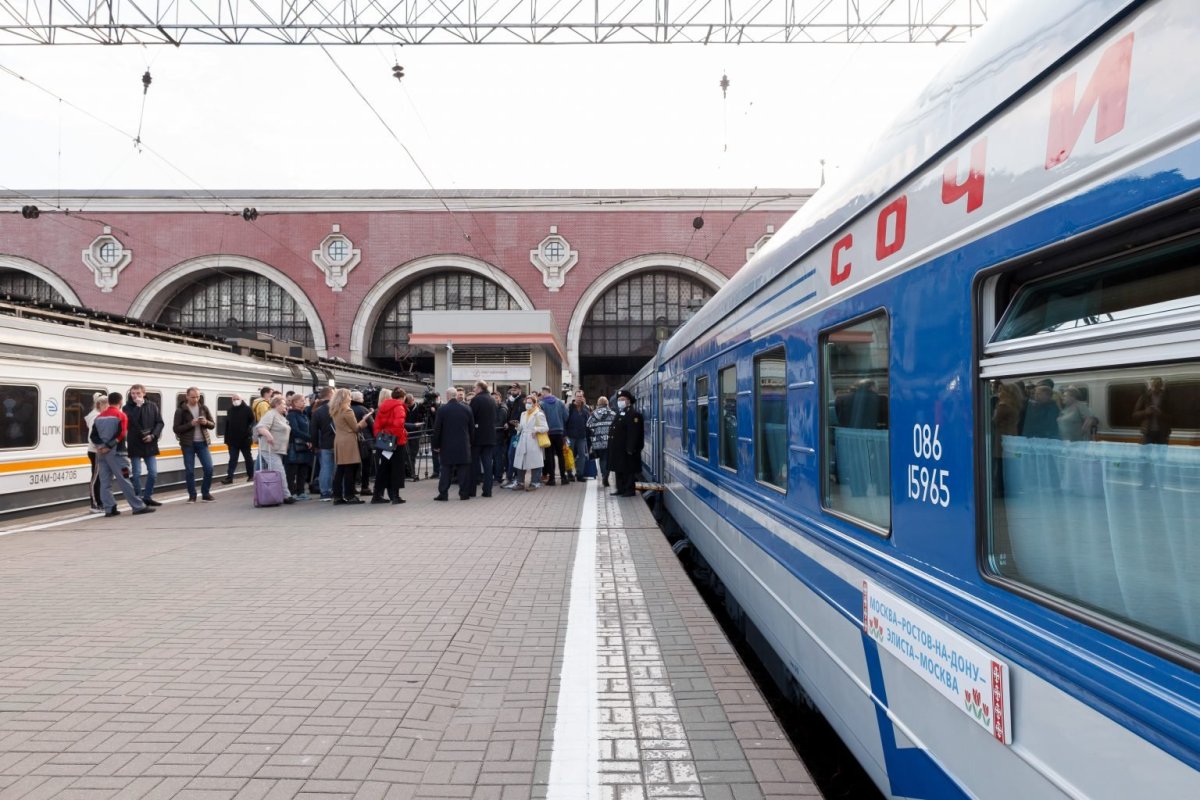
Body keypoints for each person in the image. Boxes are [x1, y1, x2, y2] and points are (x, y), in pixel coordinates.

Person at [91, 391, 154, 517]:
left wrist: (101, 447)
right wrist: (109, 446)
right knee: (125, 479)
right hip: (117, 454)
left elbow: (93, 436)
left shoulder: (99, 417)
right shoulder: (121, 415)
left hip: (101, 454)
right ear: (120, 402)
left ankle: (109, 508)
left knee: (105, 482)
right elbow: (121, 434)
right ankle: (137, 506)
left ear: (109, 402)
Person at [124, 384, 164, 507]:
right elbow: (131, 421)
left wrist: (153, 436)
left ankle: (147, 496)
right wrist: (138, 407)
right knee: (136, 474)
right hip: (135, 443)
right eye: (133, 394)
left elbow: (160, 423)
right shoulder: (127, 408)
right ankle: (138, 498)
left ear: (144, 393)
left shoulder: (152, 406)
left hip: (149, 442)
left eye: (138, 394)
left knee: (153, 473)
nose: (135, 396)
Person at [173, 386, 216, 502]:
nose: (195, 399)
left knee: (209, 468)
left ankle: (205, 493)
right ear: (187, 396)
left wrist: (205, 422)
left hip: (202, 442)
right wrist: (190, 424)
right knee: (190, 470)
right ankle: (192, 495)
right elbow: (176, 429)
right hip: (188, 444)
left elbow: (212, 425)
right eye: (193, 397)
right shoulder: (181, 410)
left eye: (197, 397)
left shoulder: (204, 408)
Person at [331, 388, 373, 504]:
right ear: (345, 398)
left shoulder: (335, 410)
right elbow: (355, 428)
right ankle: (350, 495)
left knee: (340, 469)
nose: (350, 398)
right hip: (349, 441)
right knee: (350, 468)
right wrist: (363, 421)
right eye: (349, 396)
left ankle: (338, 496)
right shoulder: (347, 410)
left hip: (339, 440)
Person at [432, 386, 474, 501]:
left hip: (447, 446)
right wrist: (470, 443)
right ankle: (464, 494)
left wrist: (436, 445)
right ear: (456, 395)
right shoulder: (467, 409)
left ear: (448, 396)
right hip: (463, 445)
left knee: (445, 470)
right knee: (463, 471)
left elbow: (437, 430)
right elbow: (471, 429)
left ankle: (443, 494)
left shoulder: (442, 409)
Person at [255, 395, 296, 504]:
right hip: (269, 449)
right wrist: (269, 436)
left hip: (279, 450)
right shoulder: (271, 414)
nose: (285, 406)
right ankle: (287, 496)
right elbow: (261, 427)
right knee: (280, 472)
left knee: (279, 472)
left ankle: (279, 494)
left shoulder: (281, 416)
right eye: (283, 404)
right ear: (277, 404)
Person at [371, 387, 409, 505]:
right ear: (402, 397)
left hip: (385, 440)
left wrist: (381, 438)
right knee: (397, 468)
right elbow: (398, 425)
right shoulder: (399, 407)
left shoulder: (383, 406)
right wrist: (396, 439)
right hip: (396, 442)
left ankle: (377, 495)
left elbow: (376, 425)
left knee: (384, 468)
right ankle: (395, 496)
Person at [505, 395, 548, 491]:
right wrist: (517, 425)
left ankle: (535, 483)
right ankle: (520, 482)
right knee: (520, 461)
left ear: (535, 403)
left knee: (535, 462)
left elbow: (545, 427)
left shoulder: (539, 414)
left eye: (530, 403)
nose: (527, 404)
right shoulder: (523, 414)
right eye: (526, 402)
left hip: (533, 440)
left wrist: (536, 429)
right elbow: (522, 428)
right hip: (523, 439)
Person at [608, 389, 644, 498]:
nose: (620, 401)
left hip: (627, 449)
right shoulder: (621, 413)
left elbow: (634, 433)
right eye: (619, 399)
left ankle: (629, 490)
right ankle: (620, 488)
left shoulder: (633, 415)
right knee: (619, 469)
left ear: (628, 401)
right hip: (619, 449)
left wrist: (630, 448)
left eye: (622, 399)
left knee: (628, 470)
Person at [468, 380, 498, 498]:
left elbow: (471, 417)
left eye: (475, 387)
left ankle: (472, 491)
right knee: (487, 464)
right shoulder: (492, 399)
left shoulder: (476, 399)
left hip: (477, 437)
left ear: (480, 388)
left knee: (474, 464)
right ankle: (487, 491)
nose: (474, 390)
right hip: (490, 436)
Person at [222, 393, 256, 484]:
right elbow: (227, 425)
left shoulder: (247, 409)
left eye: (237, 399)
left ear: (241, 399)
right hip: (232, 440)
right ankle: (229, 477)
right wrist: (226, 439)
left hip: (245, 439)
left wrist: (248, 432)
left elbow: (252, 421)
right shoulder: (230, 410)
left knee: (248, 458)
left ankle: (251, 475)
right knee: (232, 459)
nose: (235, 401)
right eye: (234, 399)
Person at [285, 393, 313, 500]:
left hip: (305, 445)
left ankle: (301, 492)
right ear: (295, 402)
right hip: (294, 446)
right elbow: (295, 430)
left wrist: (309, 440)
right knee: (292, 471)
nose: (304, 402)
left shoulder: (304, 414)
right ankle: (291, 493)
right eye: (302, 400)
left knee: (303, 470)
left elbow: (308, 429)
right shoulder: (291, 415)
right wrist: (310, 438)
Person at [539, 386, 568, 485]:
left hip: (548, 433)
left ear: (545, 392)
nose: (541, 395)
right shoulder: (560, 402)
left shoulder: (542, 404)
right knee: (561, 455)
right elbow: (566, 417)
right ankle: (563, 478)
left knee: (549, 455)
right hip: (559, 432)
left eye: (542, 393)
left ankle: (552, 479)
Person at [311, 387, 336, 501]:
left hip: (324, 445)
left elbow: (313, 431)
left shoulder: (317, 411)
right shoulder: (337, 408)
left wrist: (315, 446)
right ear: (331, 394)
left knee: (325, 468)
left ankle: (325, 493)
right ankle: (338, 490)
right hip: (338, 443)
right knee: (338, 468)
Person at [85, 392, 108, 512]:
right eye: (105, 404)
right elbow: (92, 436)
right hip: (96, 451)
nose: (107, 407)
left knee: (98, 477)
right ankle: (95, 504)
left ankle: (100, 502)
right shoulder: (95, 417)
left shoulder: (95, 415)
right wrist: (100, 447)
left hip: (96, 450)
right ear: (100, 405)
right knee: (96, 478)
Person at [587, 396, 616, 488]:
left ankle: (603, 475)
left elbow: (588, 424)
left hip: (597, 441)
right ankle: (605, 476)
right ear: (607, 404)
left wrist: (595, 430)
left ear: (598, 404)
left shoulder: (594, 413)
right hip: (609, 441)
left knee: (602, 459)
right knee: (607, 459)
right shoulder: (612, 413)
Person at [1133, 376, 1171, 445]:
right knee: (1146, 454)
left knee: (1161, 455)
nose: (1155, 387)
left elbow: (1172, 416)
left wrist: (1161, 414)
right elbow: (1135, 415)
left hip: (1162, 433)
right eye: (1154, 385)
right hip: (1148, 432)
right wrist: (1145, 412)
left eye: (1157, 385)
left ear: (1161, 386)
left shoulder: (1166, 397)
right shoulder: (1145, 397)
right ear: (1151, 385)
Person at [351, 390, 374, 496]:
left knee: (354, 465)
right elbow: (372, 425)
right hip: (365, 441)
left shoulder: (348, 409)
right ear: (359, 399)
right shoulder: (363, 409)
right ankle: (365, 487)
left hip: (352, 440)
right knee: (366, 465)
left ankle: (352, 487)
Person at [565, 396, 591, 481]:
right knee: (569, 454)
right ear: (575, 399)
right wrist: (565, 434)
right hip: (570, 435)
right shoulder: (570, 408)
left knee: (582, 455)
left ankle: (580, 474)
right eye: (578, 397)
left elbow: (588, 422)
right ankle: (569, 473)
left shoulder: (585, 410)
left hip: (582, 436)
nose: (579, 399)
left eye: (581, 397)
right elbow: (565, 421)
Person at [491, 391, 509, 485]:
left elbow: (500, 423)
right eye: (492, 398)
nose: (494, 399)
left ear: (500, 398)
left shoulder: (502, 409)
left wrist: (489, 426)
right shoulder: (494, 408)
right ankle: (495, 476)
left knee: (498, 459)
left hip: (499, 437)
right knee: (494, 458)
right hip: (494, 437)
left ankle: (498, 477)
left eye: (496, 398)